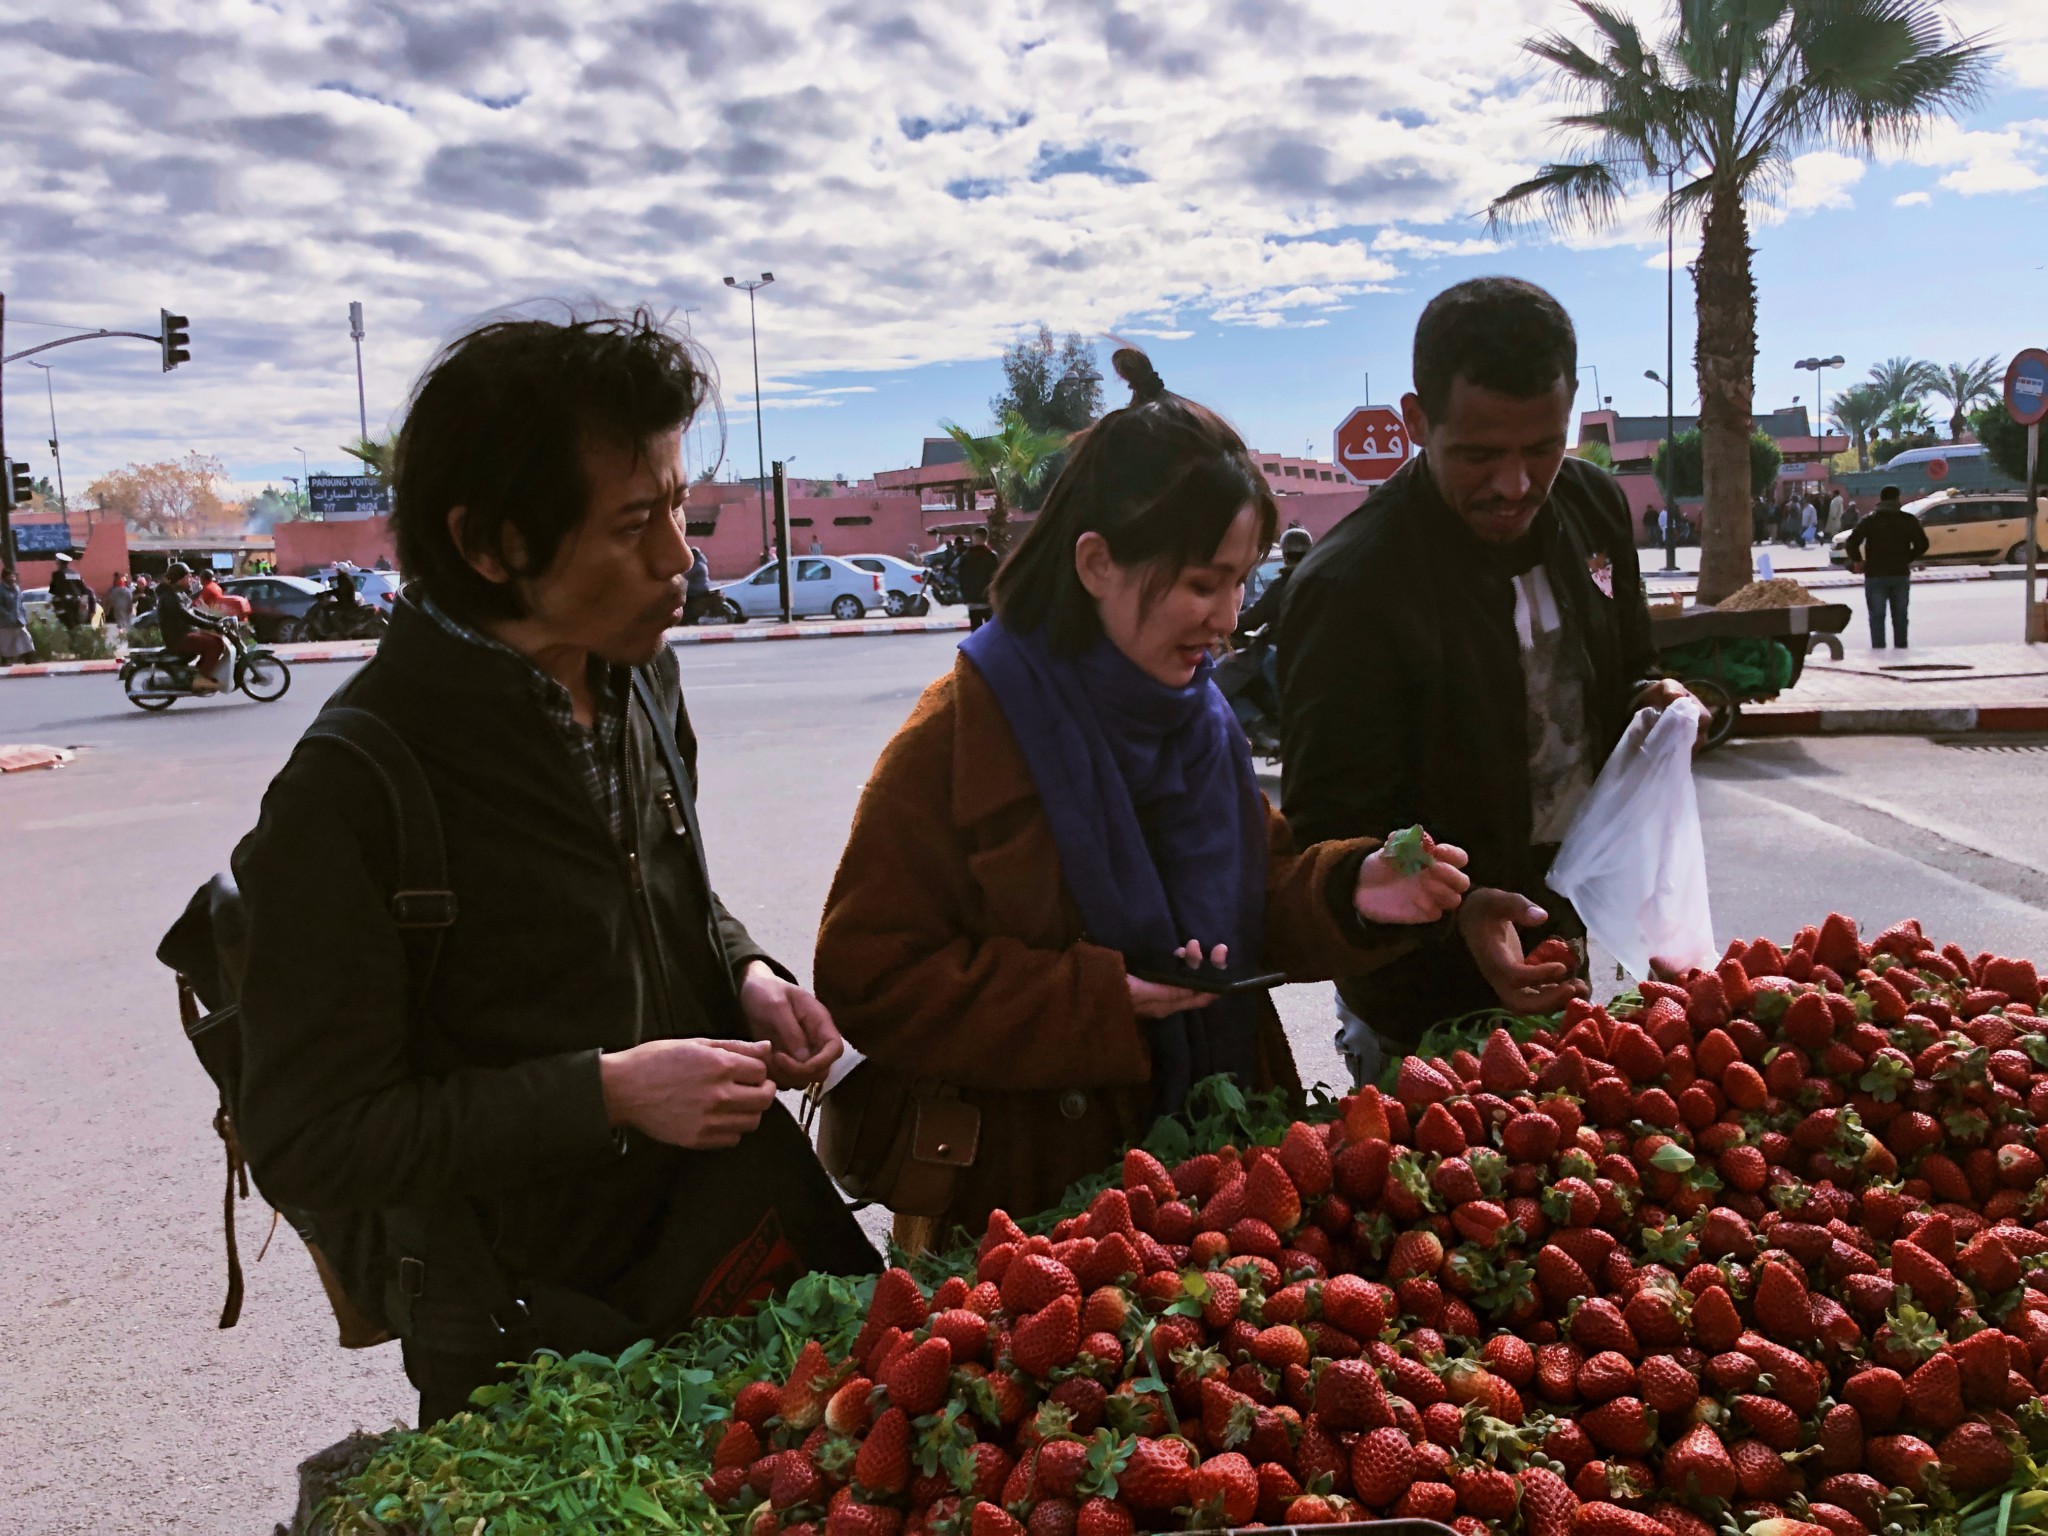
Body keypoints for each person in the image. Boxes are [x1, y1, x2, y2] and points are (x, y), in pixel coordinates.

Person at [228, 309, 874, 1426]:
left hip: (713, 1247)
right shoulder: (355, 787)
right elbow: (311, 1140)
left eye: (678, 507)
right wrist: (608, 1092)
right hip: (522, 1335)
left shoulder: (638, 679)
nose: (677, 556)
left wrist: (749, 972)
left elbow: (657, 889)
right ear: (490, 545)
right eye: (633, 523)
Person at [813, 348, 1470, 1246]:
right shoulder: (959, 735)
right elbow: (868, 977)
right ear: (1096, 564)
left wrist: (1348, 890)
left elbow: (1252, 898)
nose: (1228, 616)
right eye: (1202, 583)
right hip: (1038, 1223)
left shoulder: (1200, 720)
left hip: (1228, 1187)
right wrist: (1097, 999)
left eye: (1240, 582)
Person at [1279, 276, 1687, 1079]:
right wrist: (1457, 914)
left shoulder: (1595, 512)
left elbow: (1631, 664)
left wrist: (1659, 703)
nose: (1514, 485)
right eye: (1478, 454)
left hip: (1561, 947)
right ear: (1417, 421)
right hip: (1414, 1013)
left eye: (1542, 448)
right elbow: (1330, 831)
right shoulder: (1351, 588)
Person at [1845, 485, 1929, 650]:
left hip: (1875, 574)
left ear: (1881, 499)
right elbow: (1923, 544)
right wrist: (1907, 558)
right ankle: (1901, 647)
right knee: (1900, 616)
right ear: (1897, 499)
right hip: (1899, 573)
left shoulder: (1870, 520)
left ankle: (1878, 649)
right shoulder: (1908, 520)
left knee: (1877, 616)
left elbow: (1851, 542)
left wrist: (1858, 560)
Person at [155, 563, 234, 692]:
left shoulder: (178, 593)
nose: (191, 579)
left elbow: (194, 611)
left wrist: (215, 619)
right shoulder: (171, 597)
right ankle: (201, 677)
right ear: (180, 579)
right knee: (215, 645)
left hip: (185, 634)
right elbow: (187, 616)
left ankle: (200, 671)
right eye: (188, 577)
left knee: (213, 641)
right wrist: (211, 625)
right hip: (179, 639)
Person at [1237, 525, 1312, 639]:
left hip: (1284, 649)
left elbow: (1254, 617)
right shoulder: (1320, 583)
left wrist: (1235, 621)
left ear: (1285, 556)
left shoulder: (1282, 586)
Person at [954, 526, 999, 631]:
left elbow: (961, 577)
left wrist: (965, 596)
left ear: (974, 538)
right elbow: (996, 578)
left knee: (976, 632)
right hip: (988, 601)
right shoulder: (992, 556)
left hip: (972, 601)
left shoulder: (966, 557)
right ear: (986, 539)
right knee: (991, 632)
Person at [0, 566, 33, 666]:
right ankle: (5, 661)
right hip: (6, 623)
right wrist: (8, 615)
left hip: (19, 620)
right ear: (5, 578)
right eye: (11, 576)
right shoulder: (1, 590)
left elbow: (21, 604)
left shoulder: (17, 589)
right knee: (6, 643)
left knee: (26, 639)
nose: (13, 578)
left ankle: (29, 660)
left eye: (13, 576)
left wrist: (25, 617)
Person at [50, 553, 90, 628]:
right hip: (77, 602)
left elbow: (55, 591)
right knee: (76, 623)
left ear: (59, 562)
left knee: (65, 625)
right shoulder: (76, 574)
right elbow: (84, 590)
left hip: (65, 603)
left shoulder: (58, 574)